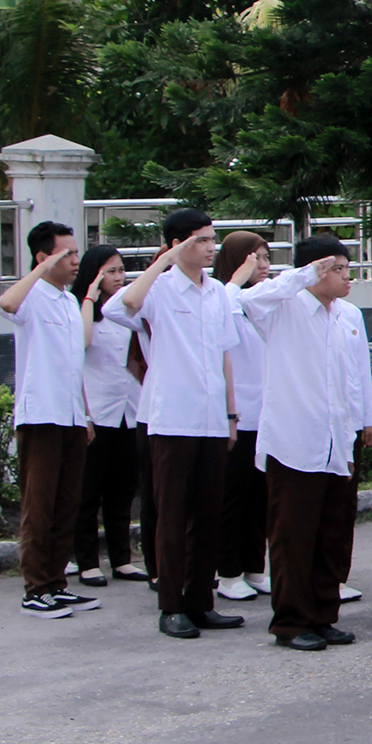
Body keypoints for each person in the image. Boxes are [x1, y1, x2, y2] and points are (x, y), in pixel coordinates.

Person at [238, 236, 372, 651]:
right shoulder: (283, 307)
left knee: (333, 533)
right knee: (293, 535)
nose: (346, 277)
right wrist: (300, 276)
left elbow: (358, 372)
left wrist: (366, 419)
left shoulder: (347, 315)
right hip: (294, 441)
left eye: (347, 268)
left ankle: (323, 613)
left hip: (338, 438)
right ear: (314, 271)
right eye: (337, 269)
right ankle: (292, 621)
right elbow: (247, 300)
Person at [119, 209, 251, 639]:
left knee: (208, 514)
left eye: (213, 239)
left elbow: (225, 355)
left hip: (211, 419)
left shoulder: (216, 293)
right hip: (173, 419)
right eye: (202, 240)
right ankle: (171, 605)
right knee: (173, 516)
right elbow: (125, 304)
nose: (211, 247)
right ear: (178, 244)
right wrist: (163, 261)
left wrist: (231, 415)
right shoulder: (159, 289)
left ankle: (200, 601)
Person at [0, 221, 97, 619]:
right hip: (41, 415)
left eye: (76, 253)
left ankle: (56, 582)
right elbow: (6, 304)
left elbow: (74, 362)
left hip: (70, 415)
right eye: (66, 254)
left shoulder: (68, 301)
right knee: (39, 506)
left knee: (66, 504)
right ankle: (35, 588)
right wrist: (39, 270)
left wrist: (85, 413)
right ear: (43, 258)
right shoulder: (33, 295)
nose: (75, 260)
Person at [72, 245, 149, 588]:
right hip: (97, 409)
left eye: (121, 270)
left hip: (129, 409)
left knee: (123, 489)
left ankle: (122, 559)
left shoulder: (129, 309)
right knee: (88, 490)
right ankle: (87, 561)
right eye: (110, 271)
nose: (118, 277)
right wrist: (89, 299)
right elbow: (81, 344)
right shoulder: (83, 310)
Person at [212, 231, 275, 604]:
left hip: (265, 413)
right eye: (255, 259)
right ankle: (228, 572)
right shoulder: (224, 297)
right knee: (232, 496)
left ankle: (254, 566)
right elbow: (222, 312)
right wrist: (237, 280)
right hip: (236, 413)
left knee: (259, 496)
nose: (263, 266)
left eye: (266, 258)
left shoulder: (263, 301)